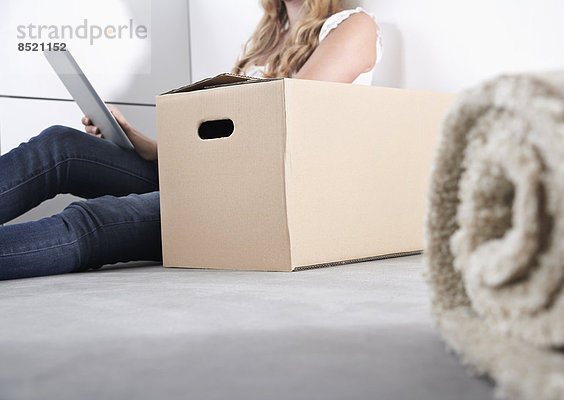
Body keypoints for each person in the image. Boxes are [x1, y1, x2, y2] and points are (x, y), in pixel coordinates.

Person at [0, 0, 382, 280]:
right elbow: (225, 134)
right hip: (213, 173)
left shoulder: (352, 25)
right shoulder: (266, 38)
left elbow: (284, 118)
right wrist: (141, 141)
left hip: (264, 197)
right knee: (60, 147)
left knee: (96, 219)